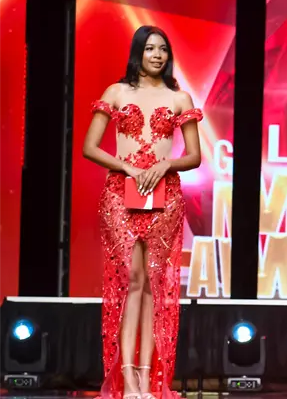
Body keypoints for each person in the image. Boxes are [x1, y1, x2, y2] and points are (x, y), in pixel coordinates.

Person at [82, 25, 203, 399]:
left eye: (163, 49)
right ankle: (128, 378)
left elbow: (195, 156)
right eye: (150, 48)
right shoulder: (117, 92)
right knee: (131, 282)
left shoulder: (179, 98)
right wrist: (128, 168)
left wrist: (166, 164)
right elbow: (90, 147)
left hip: (165, 198)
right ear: (138, 52)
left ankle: (150, 379)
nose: (157, 55)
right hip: (121, 195)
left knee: (154, 285)